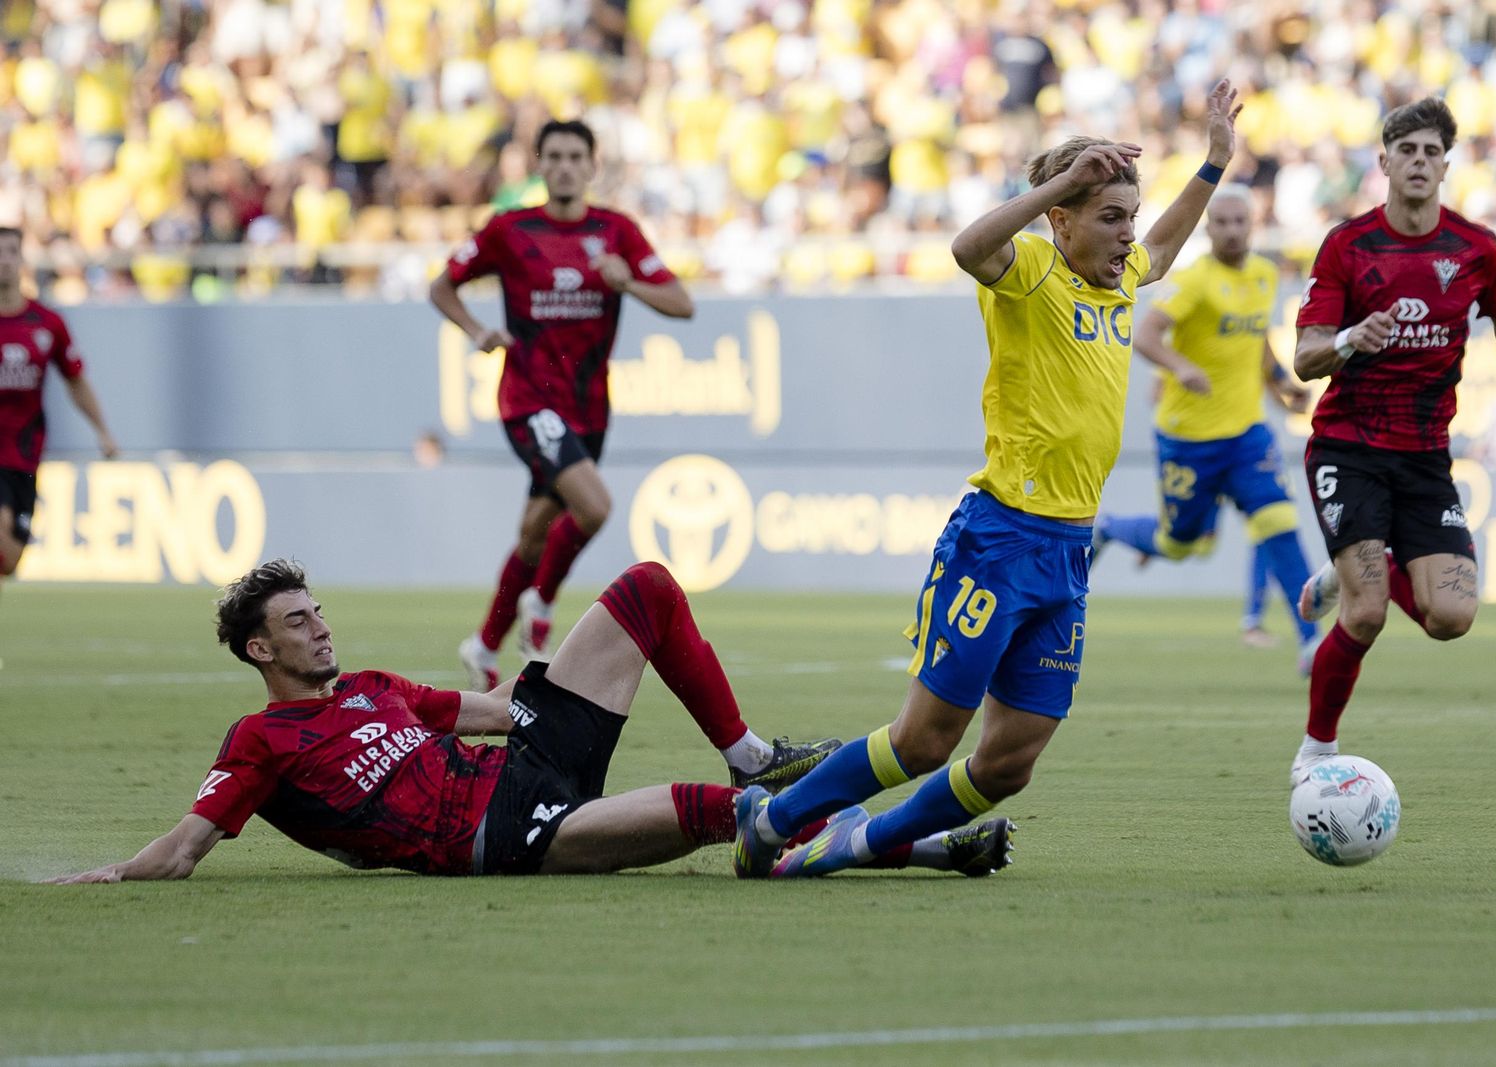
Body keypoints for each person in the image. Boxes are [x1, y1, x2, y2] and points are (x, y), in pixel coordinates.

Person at [730, 82, 1244, 879]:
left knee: (1010, 760)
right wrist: (1060, 183)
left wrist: (1212, 162)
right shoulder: (1031, 268)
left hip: (1068, 552)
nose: (1128, 235)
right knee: (923, 741)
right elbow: (968, 247)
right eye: (1111, 217)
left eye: (1130, 218)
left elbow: (1167, 246)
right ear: (1062, 219)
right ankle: (774, 818)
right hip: (999, 538)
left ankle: (855, 843)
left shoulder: (1117, 278)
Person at [48, 559, 1008, 883]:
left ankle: (752, 753)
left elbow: (504, 709)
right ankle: (920, 846)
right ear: (260, 649)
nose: (321, 626)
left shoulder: (372, 685)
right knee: (712, 813)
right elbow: (185, 846)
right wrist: (115, 872)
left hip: (523, 759)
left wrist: (557, 675)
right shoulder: (260, 741)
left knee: (647, 588)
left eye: (318, 610)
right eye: (297, 621)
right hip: (501, 833)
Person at [1289, 98, 1496, 784]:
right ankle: (1316, 752)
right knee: (1367, 612)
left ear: (1445, 166)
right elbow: (1306, 357)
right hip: (1348, 448)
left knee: (1451, 617)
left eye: (1431, 152)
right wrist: (1350, 338)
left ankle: (1353, 566)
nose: (1419, 161)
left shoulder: (1474, 247)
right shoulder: (1348, 245)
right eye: (1406, 150)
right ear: (1384, 162)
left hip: (1426, 455)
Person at [429, 119, 694, 690]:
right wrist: (477, 330)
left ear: (592, 166)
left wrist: (628, 284)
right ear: (539, 165)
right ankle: (542, 604)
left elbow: (682, 303)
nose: (566, 166)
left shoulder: (617, 231)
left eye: (576, 156)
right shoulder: (509, 228)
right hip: (527, 400)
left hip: (589, 409)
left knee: (534, 534)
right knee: (594, 507)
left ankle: (483, 645)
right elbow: (441, 286)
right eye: (554, 156)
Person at [1093, 184, 1321, 673]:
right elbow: (1146, 334)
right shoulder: (1194, 280)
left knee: (1279, 523)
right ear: (1209, 227)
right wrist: (1180, 368)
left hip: (1246, 435)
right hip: (1189, 438)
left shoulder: (1264, 275)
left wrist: (1283, 387)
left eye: (1240, 221)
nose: (1232, 230)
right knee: (1180, 545)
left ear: (1253, 225)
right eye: (1222, 222)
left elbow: (1257, 342)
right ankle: (1109, 528)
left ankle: (1311, 642)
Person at [0, 226, 118, 591]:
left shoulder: (46, 323)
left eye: (11, 252)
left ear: (22, 259)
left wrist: (102, 431)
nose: (4, 261)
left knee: (10, 560)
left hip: (24, 454)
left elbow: (76, 381)